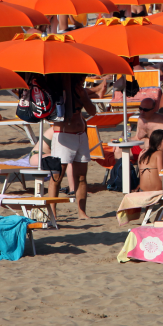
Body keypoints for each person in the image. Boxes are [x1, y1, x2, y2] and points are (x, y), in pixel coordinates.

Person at [47, 75, 97, 219]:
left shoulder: (82, 92)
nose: (82, 81)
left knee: (81, 176)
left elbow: (93, 112)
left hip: (81, 135)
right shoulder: (58, 92)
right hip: (64, 135)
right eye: (80, 78)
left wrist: (84, 97)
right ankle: (53, 213)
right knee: (57, 176)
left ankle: (82, 212)